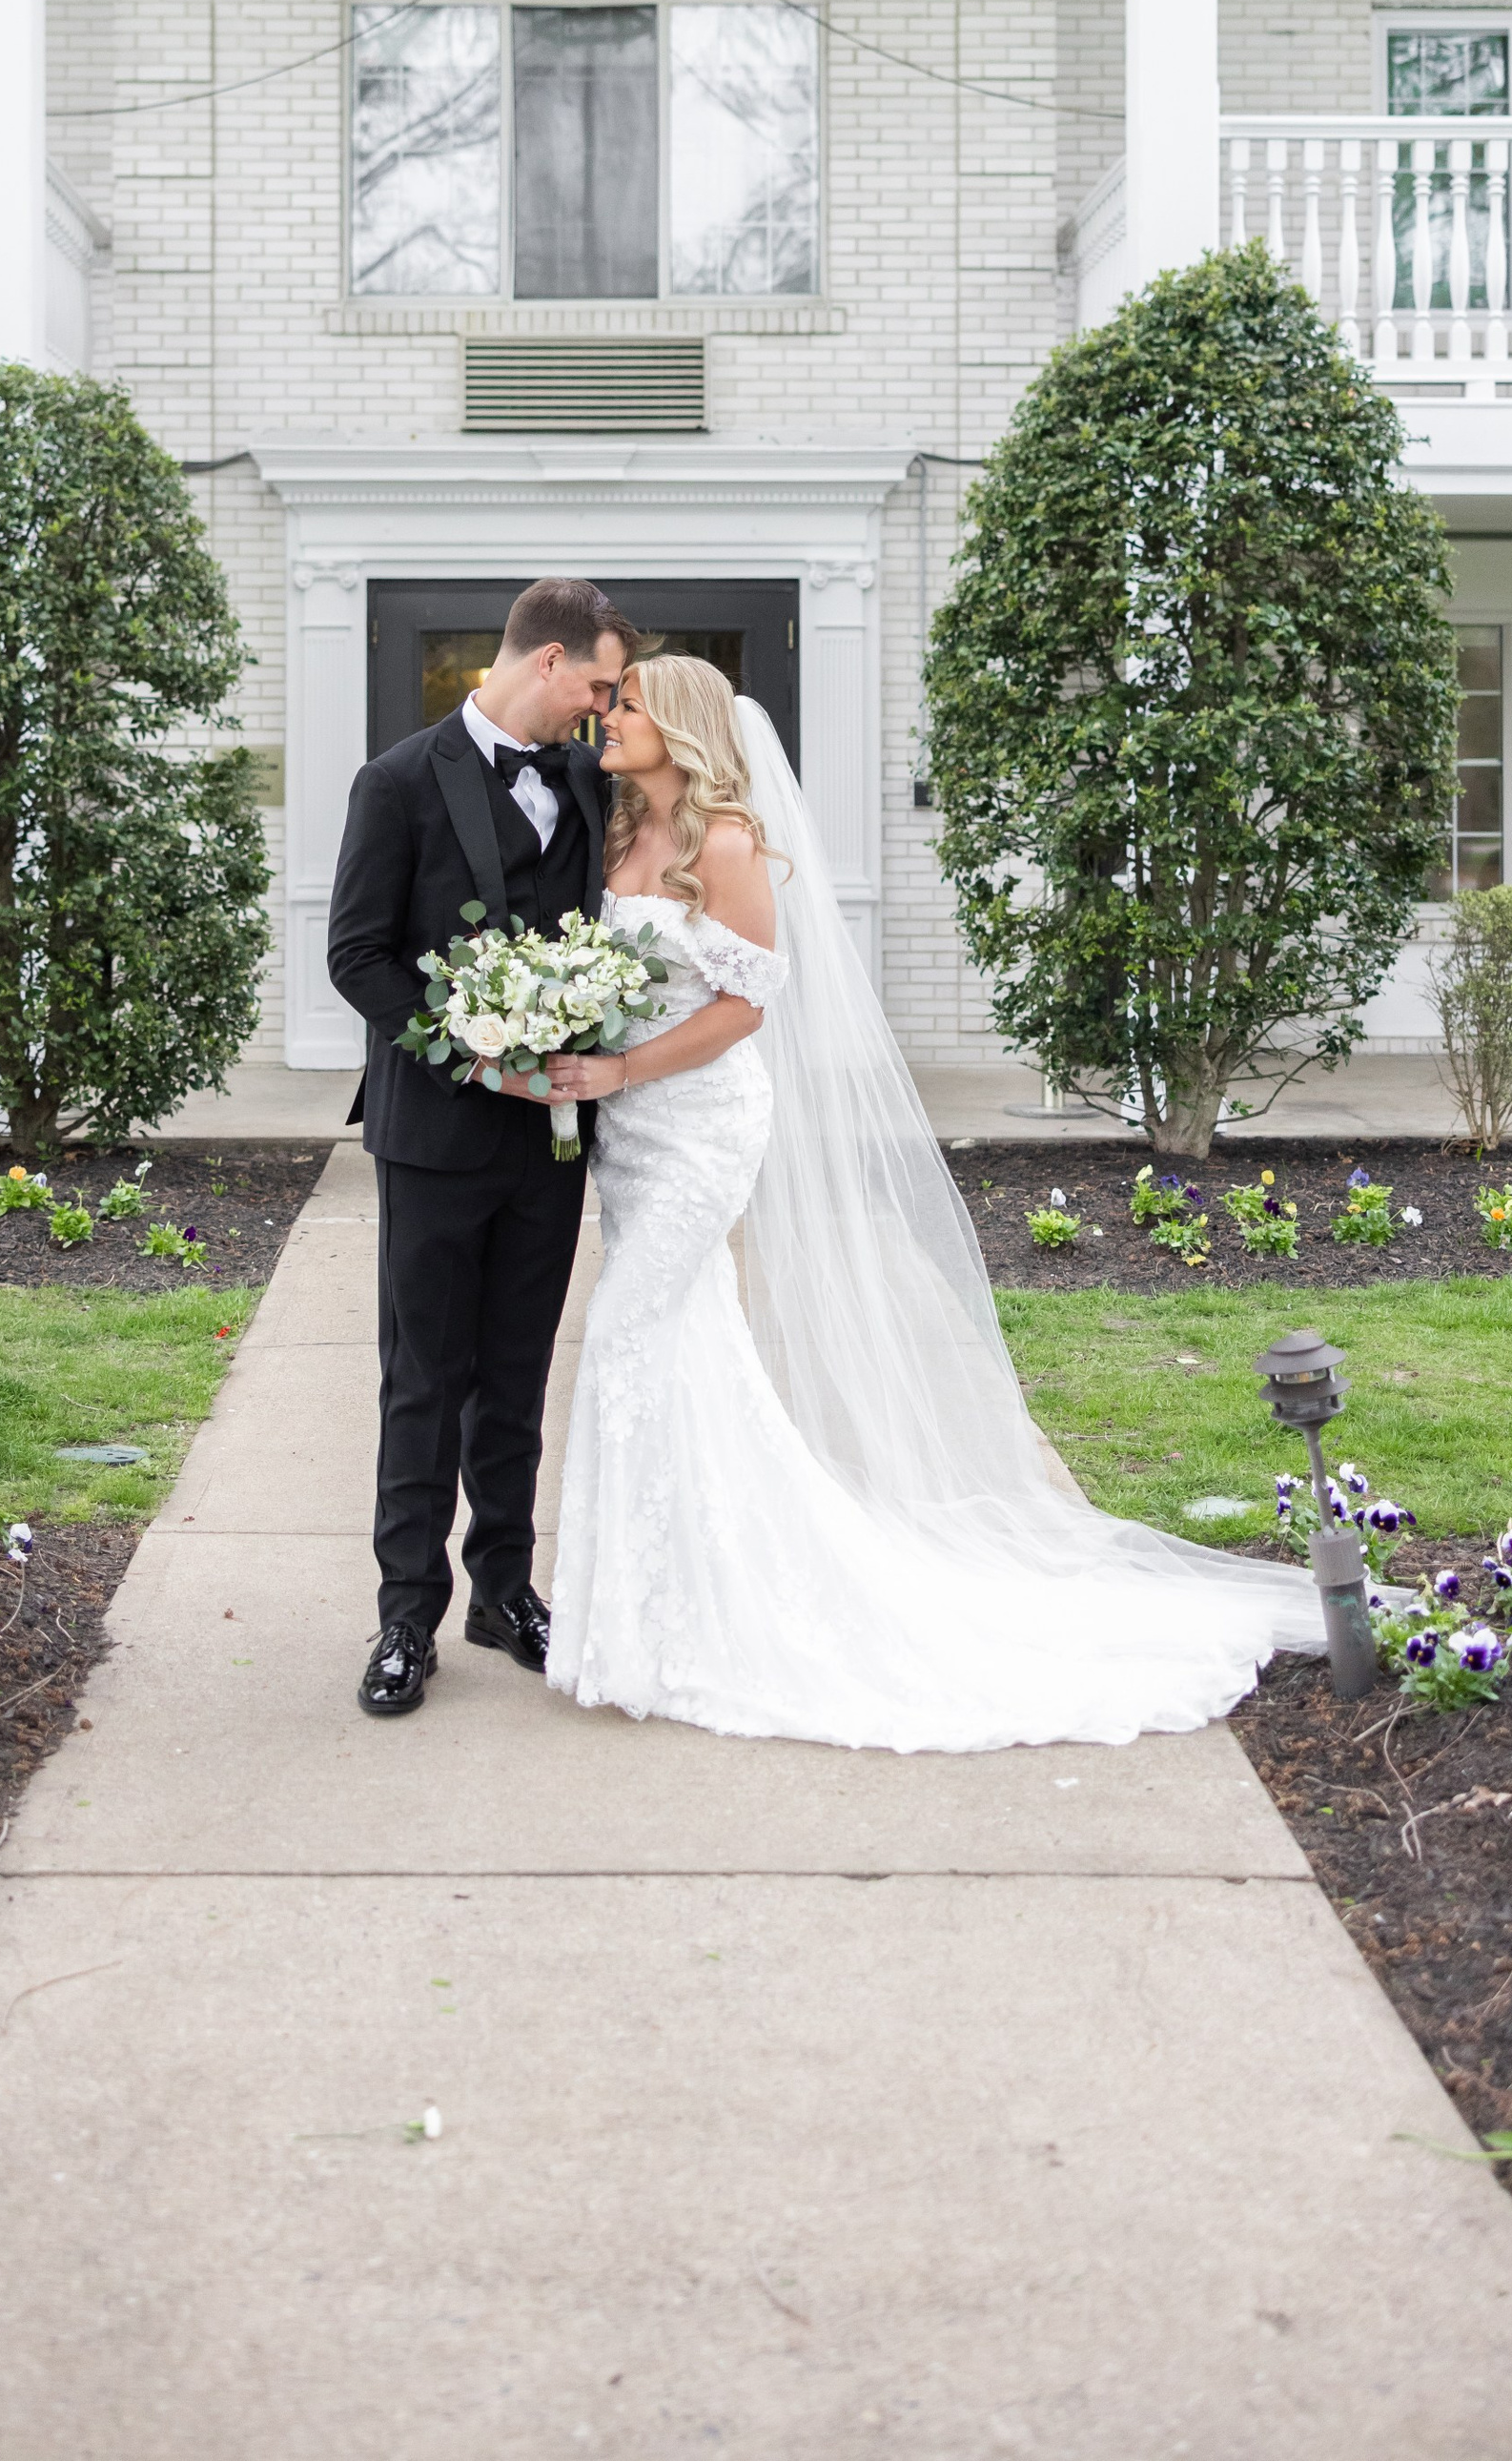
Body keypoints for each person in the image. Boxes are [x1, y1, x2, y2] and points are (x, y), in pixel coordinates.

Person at [543, 656, 1324, 1751]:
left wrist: (624, 1071)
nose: (607, 717)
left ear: (679, 724)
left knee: (631, 1338)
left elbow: (743, 1010)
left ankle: (675, 1614)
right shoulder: (619, 831)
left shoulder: (725, 844)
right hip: (630, 1138)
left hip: (698, 1122)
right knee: (681, 1346)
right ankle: (654, 1607)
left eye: (626, 705)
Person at [326, 576, 634, 1718]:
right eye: (597, 684)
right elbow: (356, 956)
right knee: (423, 1377)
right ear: (547, 662)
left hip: (552, 1140)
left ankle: (503, 1589)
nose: (602, 707)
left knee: (514, 1374)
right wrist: (475, 1051)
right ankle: (405, 1611)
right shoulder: (399, 779)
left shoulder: (588, 778)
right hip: (435, 1134)